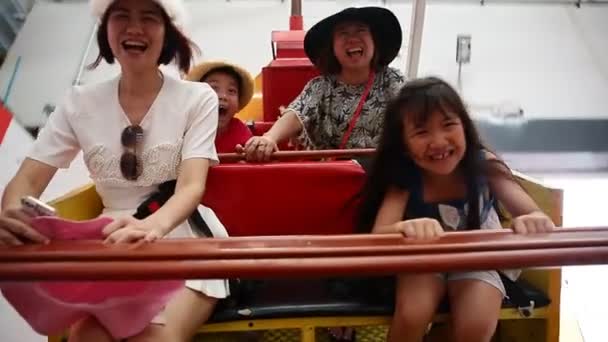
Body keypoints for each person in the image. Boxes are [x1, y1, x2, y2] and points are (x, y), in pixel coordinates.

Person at [0, 0, 229, 341]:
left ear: (169, 33)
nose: (134, 27)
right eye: (121, 15)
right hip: (109, 247)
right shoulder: (78, 102)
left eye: (149, 18)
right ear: (106, 29)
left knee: (154, 338)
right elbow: (29, 179)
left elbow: (190, 188)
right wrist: (12, 215)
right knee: (85, 338)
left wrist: (149, 228)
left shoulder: (198, 98)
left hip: (181, 235)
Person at [356, 77, 555, 342]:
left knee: (477, 323)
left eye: (448, 125)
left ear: (465, 126)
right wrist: (404, 227)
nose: (438, 141)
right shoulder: (404, 176)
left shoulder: (484, 165)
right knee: (412, 313)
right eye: (421, 132)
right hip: (423, 258)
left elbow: (531, 213)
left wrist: (533, 221)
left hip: (478, 258)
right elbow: (380, 233)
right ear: (403, 144)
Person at [240, 6, 405, 162]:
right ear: (332, 48)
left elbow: (415, 112)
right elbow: (297, 113)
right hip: (334, 176)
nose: (353, 39)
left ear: (374, 41)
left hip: (381, 176)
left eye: (361, 30)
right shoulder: (321, 86)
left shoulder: (391, 80)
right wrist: (269, 138)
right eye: (343, 33)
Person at [186, 61, 254, 153]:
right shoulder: (185, 129)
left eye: (231, 91)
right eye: (213, 88)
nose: (223, 96)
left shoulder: (241, 131)